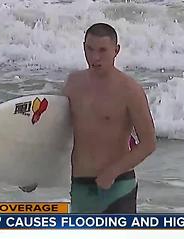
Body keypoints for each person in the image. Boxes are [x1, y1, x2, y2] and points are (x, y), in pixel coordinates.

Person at [62, 23, 156, 214]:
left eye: (103, 50)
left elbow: (148, 143)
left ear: (116, 50)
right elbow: (54, 131)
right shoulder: (73, 84)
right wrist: (34, 172)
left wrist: (113, 171)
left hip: (118, 186)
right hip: (80, 185)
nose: (95, 57)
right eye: (90, 49)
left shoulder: (130, 90)